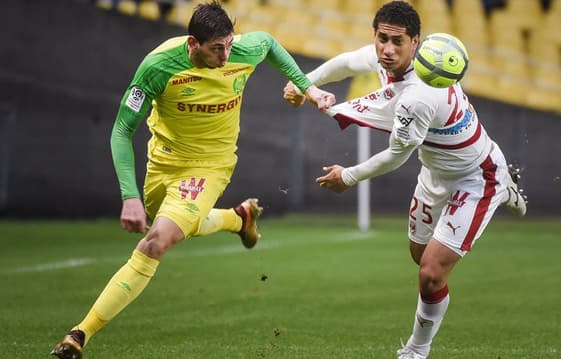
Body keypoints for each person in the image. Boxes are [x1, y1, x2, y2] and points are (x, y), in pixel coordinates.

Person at [51, 2, 335, 358]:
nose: (226, 54)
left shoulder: (243, 50)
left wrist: (308, 89)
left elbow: (271, 44)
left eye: (230, 44)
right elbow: (122, 129)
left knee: (156, 241)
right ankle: (238, 218)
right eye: (218, 48)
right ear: (193, 44)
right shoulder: (158, 66)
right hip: (164, 164)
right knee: (172, 222)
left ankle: (80, 335)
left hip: (210, 166)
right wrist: (130, 196)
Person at [283, 1, 527, 358]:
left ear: (416, 42)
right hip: (435, 173)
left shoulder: (420, 95)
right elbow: (349, 61)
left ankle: (417, 349)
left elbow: (397, 156)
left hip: (476, 177)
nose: (387, 49)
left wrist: (347, 176)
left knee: (430, 273)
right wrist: (305, 83)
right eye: (382, 39)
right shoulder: (386, 58)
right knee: (419, 255)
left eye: (398, 42)